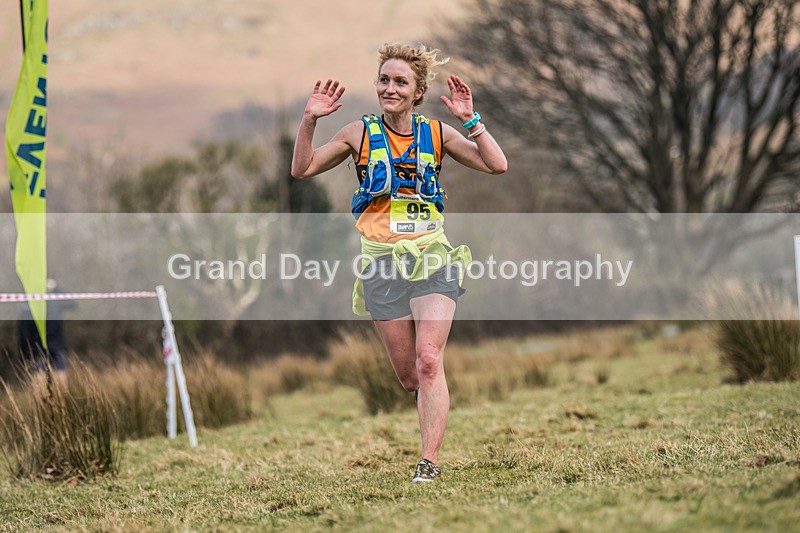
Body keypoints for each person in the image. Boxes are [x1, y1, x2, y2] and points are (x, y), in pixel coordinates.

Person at [291, 43, 507, 483]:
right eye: (384, 80)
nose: (390, 88)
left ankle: (428, 462)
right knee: (411, 378)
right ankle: (430, 406)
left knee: (430, 361)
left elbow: (496, 164)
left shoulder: (438, 133)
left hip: (432, 257)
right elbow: (303, 168)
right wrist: (310, 119)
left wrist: (472, 119)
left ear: (418, 91)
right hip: (381, 264)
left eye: (400, 82)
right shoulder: (358, 133)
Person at [17, 278, 76, 388]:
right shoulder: (30, 304)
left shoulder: (53, 299)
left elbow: (72, 303)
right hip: (38, 348)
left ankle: (58, 404)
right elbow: (23, 329)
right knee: (41, 385)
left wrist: (56, 288)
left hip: (54, 347)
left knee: (60, 384)